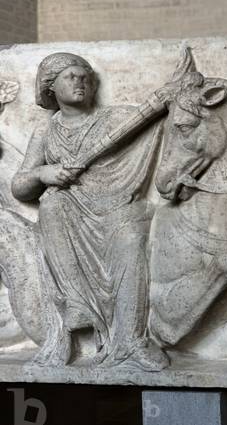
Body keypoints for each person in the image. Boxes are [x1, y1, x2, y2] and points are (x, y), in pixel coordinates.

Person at [12, 53, 168, 370]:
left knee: (129, 240)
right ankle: (77, 307)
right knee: (53, 203)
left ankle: (132, 342)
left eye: (84, 76)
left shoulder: (116, 120)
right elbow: (19, 186)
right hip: (71, 214)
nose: (79, 81)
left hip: (116, 207)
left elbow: (156, 122)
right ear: (50, 87)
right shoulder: (45, 133)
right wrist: (45, 174)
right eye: (70, 76)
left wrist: (168, 99)